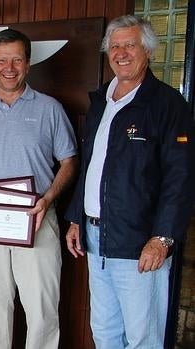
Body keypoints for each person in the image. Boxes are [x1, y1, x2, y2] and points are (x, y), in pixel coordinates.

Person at [65, 15, 195, 349]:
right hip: (96, 237)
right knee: (105, 332)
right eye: (116, 46)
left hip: (140, 242)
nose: (122, 53)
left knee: (142, 338)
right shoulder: (100, 102)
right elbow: (91, 166)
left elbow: (180, 178)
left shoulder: (167, 105)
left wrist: (163, 237)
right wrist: (77, 217)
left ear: (148, 51)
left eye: (130, 45)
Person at [0, 29, 78, 348]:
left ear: (28, 64)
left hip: (37, 219)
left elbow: (69, 161)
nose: (10, 67)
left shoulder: (50, 109)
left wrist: (48, 198)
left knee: (42, 309)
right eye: (2, 60)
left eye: (17, 59)